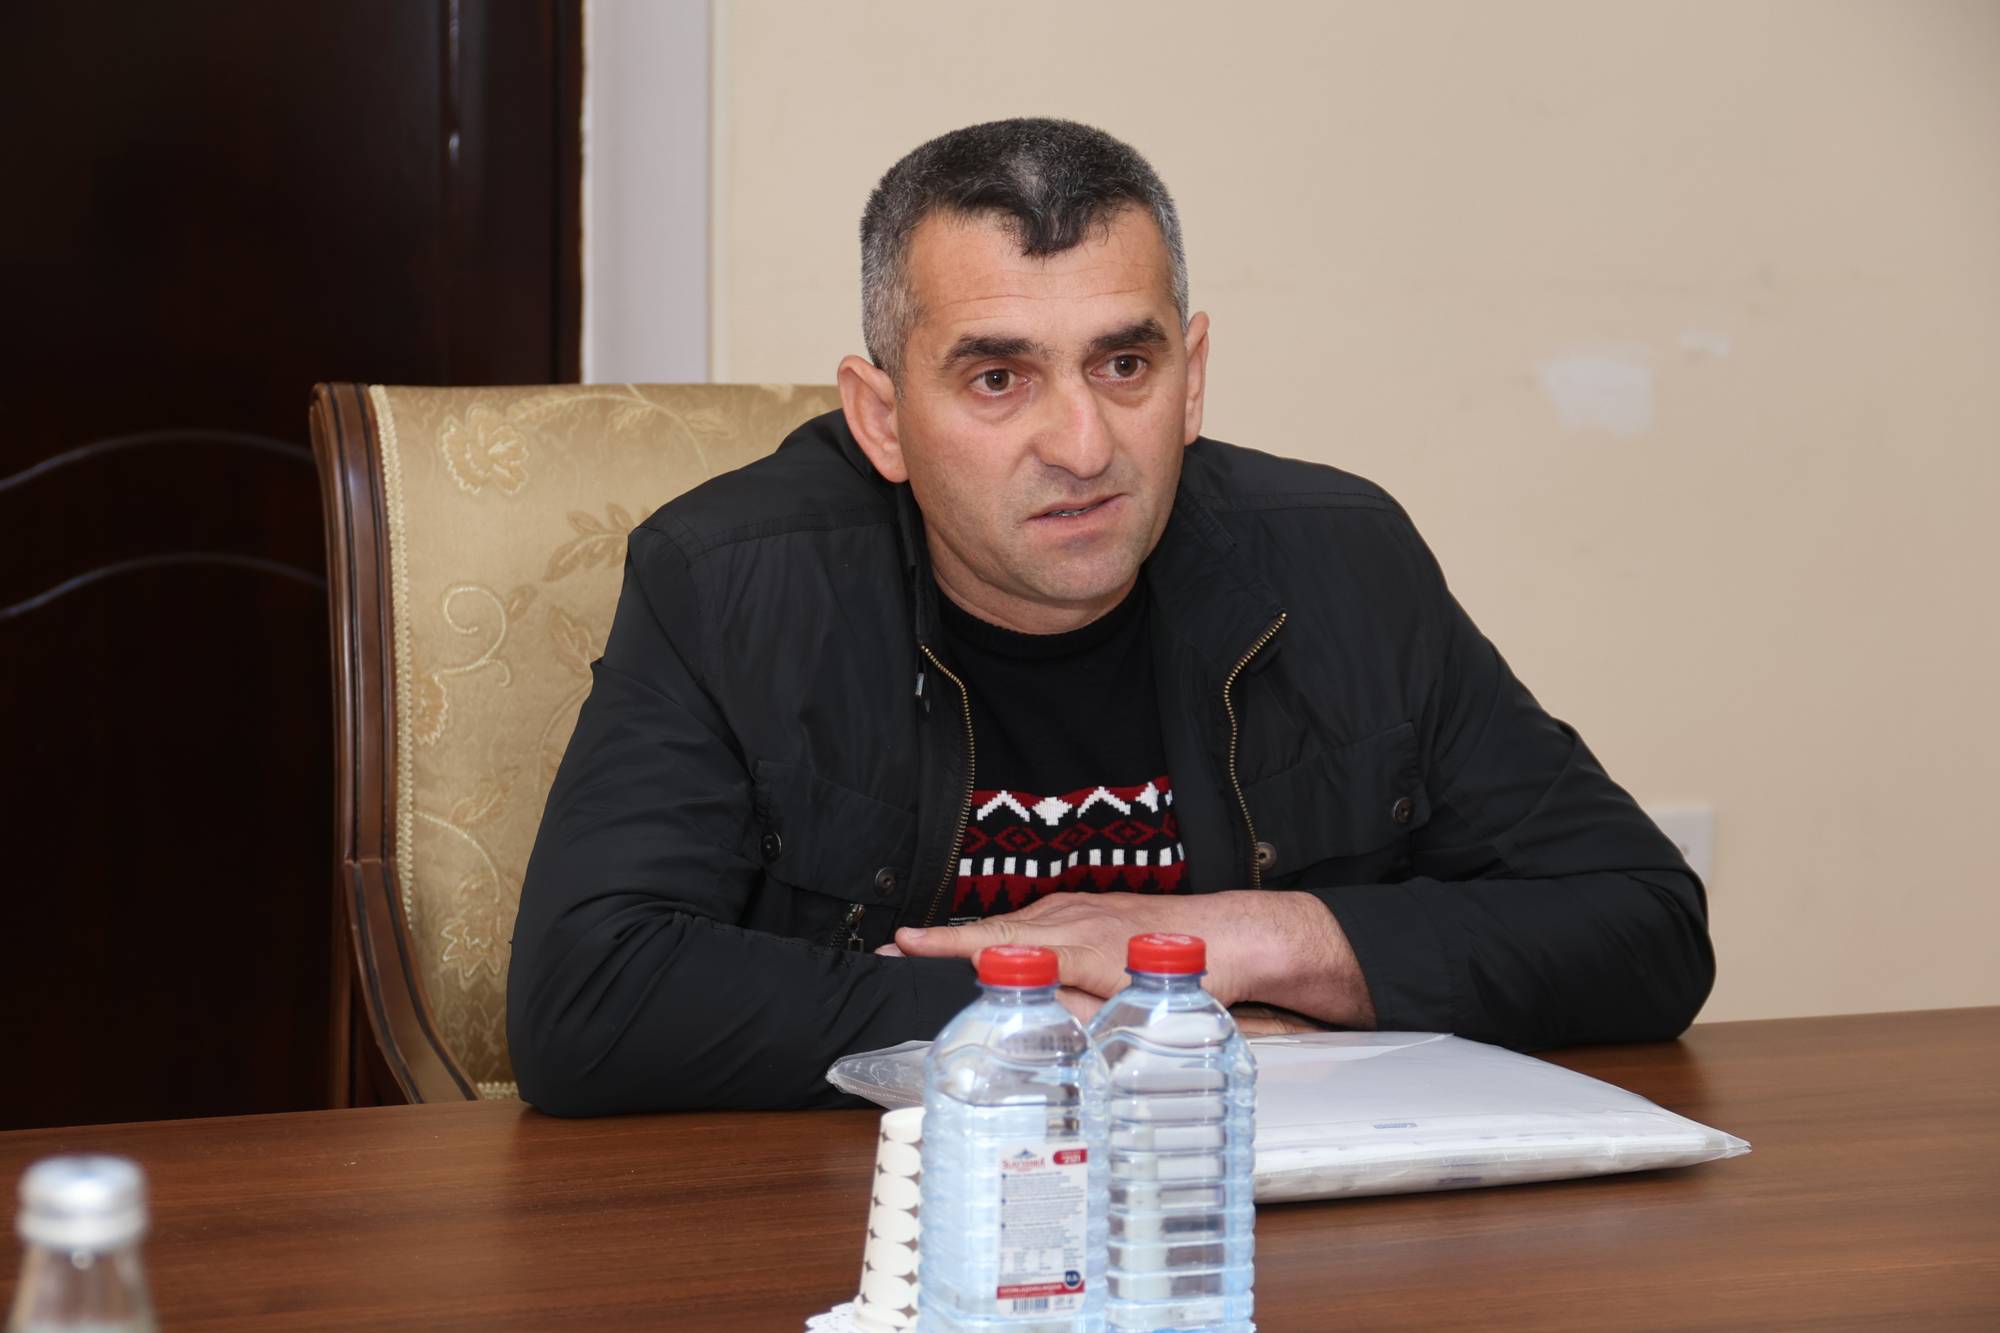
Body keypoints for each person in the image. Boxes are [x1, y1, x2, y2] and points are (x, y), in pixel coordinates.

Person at [506, 118, 1714, 1114]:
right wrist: (1093, 1019)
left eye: (1124, 366)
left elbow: (1642, 924)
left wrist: (1247, 939)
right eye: (998, 379)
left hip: (1254, 1229)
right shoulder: (732, 581)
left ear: (1191, 376)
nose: (1082, 446)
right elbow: (586, 1001)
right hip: (877, 1233)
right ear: (881, 417)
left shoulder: (1343, 560)